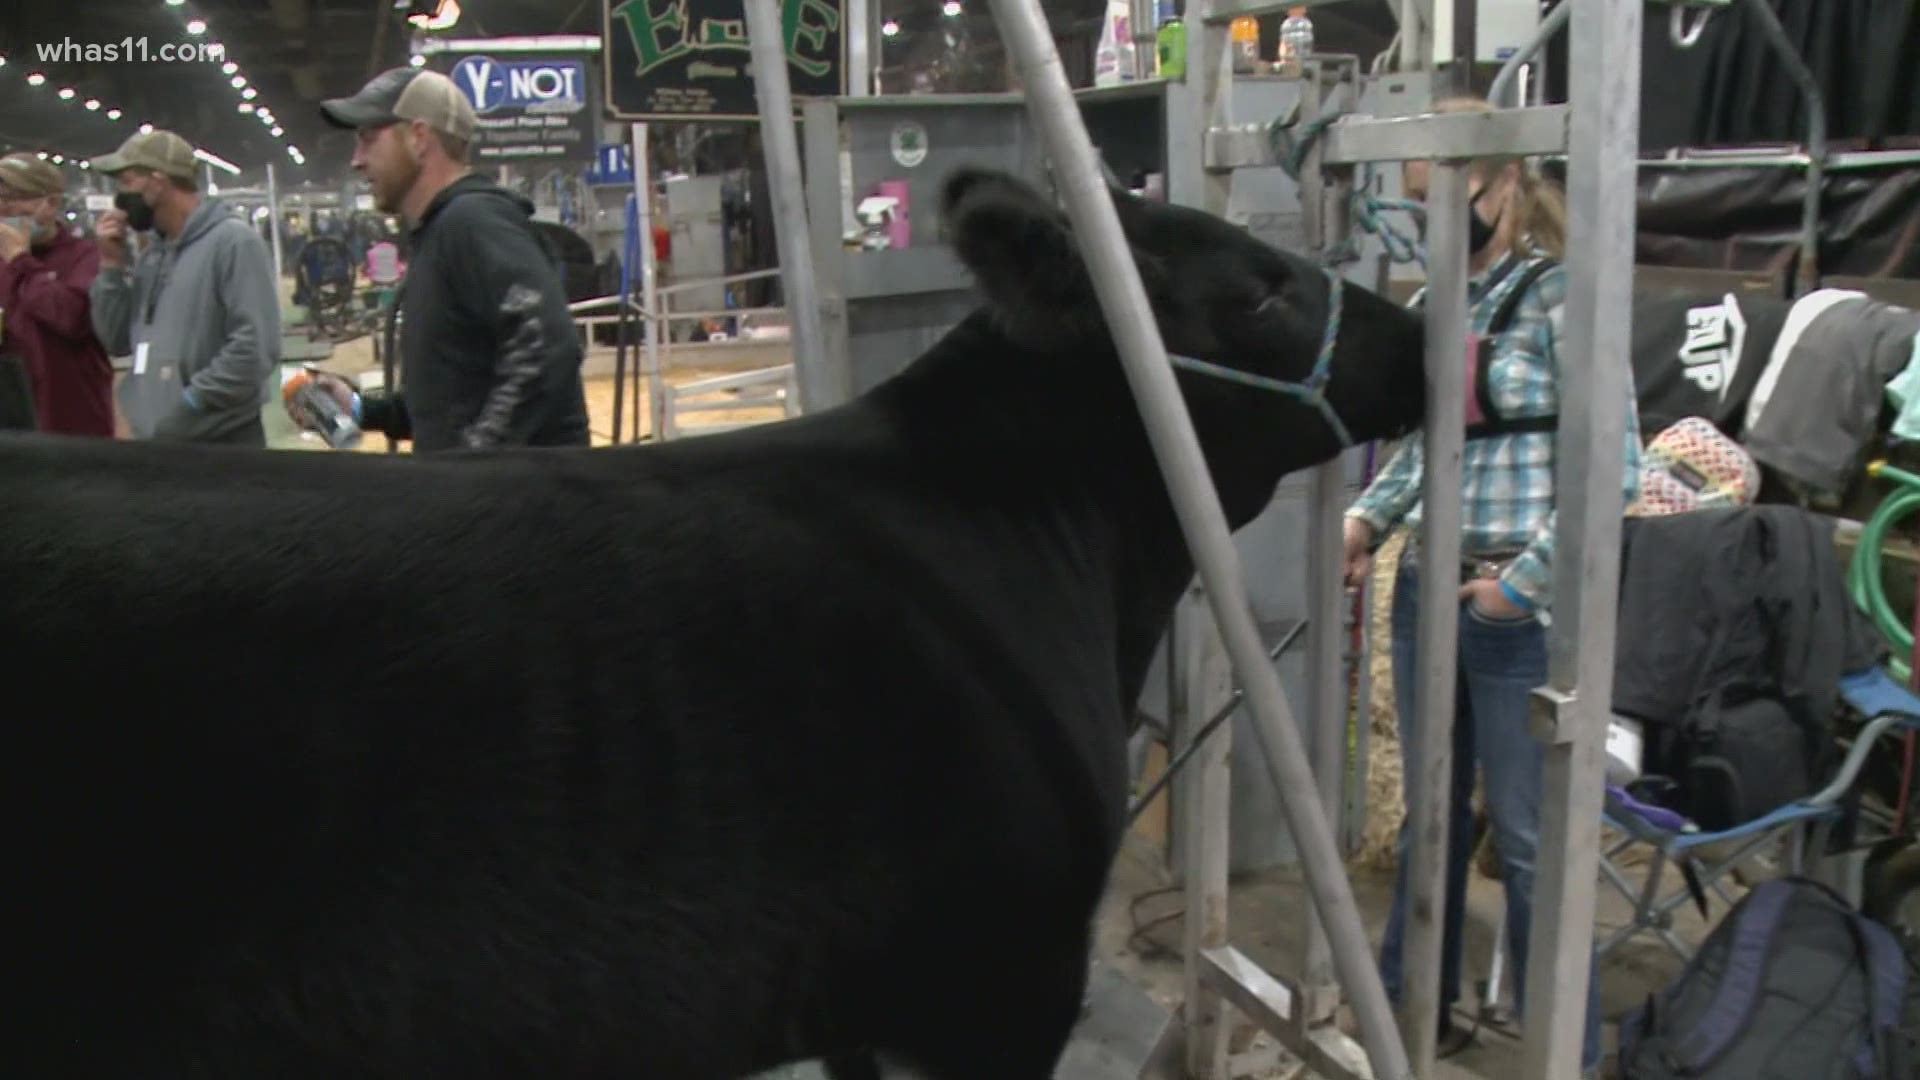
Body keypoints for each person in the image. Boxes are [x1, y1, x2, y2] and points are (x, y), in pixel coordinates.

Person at [1342, 97, 1641, 1077]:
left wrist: (1523, 585)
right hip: (1428, 588)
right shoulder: (1435, 306)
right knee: (1428, 815)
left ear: (1506, 183)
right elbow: (1427, 450)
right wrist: (1367, 518)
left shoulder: (1565, 298)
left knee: (1526, 835)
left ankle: (1564, 1045)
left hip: (1515, 611)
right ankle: (1408, 1005)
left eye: (1449, 197)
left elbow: (1617, 469)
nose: (1434, 219)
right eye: (1418, 201)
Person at [293, 67, 590, 453]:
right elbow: (449, 402)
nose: (357, 160)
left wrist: (470, 465)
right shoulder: (440, 232)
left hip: (521, 502)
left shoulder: (473, 222)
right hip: (482, 496)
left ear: (418, 138)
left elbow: (545, 347)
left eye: (368, 139)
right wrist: (360, 407)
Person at [89, 129, 282, 446]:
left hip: (220, 442)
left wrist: (191, 403)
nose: (120, 197)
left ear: (158, 181)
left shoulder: (233, 242)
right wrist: (110, 267)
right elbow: (117, 339)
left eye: (126, 182)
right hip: (164, 440)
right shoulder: (153, 255)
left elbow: (255, 348)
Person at [0, 153, 115, 437]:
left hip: (71, 421)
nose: (4, 209)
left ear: (50, 203)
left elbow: (71, 318)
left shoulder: (85, 257)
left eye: (13, 198)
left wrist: (20, 260)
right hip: (13, 423)